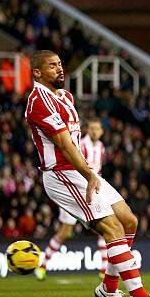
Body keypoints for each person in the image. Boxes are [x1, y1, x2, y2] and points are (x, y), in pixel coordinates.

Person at [24, 50, 150, 297]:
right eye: (52, 66)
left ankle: (109, 288)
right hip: (62, 174)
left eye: (60, 64)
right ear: (37, 72)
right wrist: (90, 175)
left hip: (83, 171)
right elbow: (66, 145)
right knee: (112, 228)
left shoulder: (66, 97)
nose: (60, 69)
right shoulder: (38, 102)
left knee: (129, 221)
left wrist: (90, 173)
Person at [35, 118, 108, 281]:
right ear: (87, 130)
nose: (95, 131)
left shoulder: (101, 147)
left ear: (102, 131)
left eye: (98, 128)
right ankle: (42, 265)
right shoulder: (81, 145)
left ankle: (104, 269)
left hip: (91, 191)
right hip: (73, 189)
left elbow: (98, 171)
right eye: (92, 128)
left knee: (104, 227)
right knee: (65, 232)